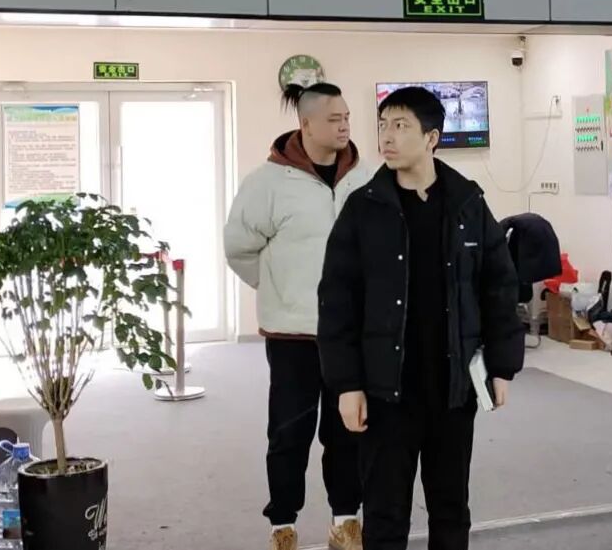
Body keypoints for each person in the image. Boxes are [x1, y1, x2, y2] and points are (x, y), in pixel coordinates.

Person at [317, 86, 524, 550]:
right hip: (386, 391)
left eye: (401, 126)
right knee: (385, 512)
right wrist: (346, 384)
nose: (386, 137)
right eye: (383, 126)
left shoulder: (468, 204)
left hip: (452, 390)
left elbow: (499, 287)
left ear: (432, 138)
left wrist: (502, 365)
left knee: (451, 508)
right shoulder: (364, 208)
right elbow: (336, 301)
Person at [224, 82, 371, 550]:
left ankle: (345, 521)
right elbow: (239, 249)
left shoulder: (366, 178)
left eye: (346, 117)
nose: (344, 126)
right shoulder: (267, 183)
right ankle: (282, 525)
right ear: (305, 124)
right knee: (289, 433)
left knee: (347, 431)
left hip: (349, 334)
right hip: (293, 335)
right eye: (333, 119)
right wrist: (278, 288)